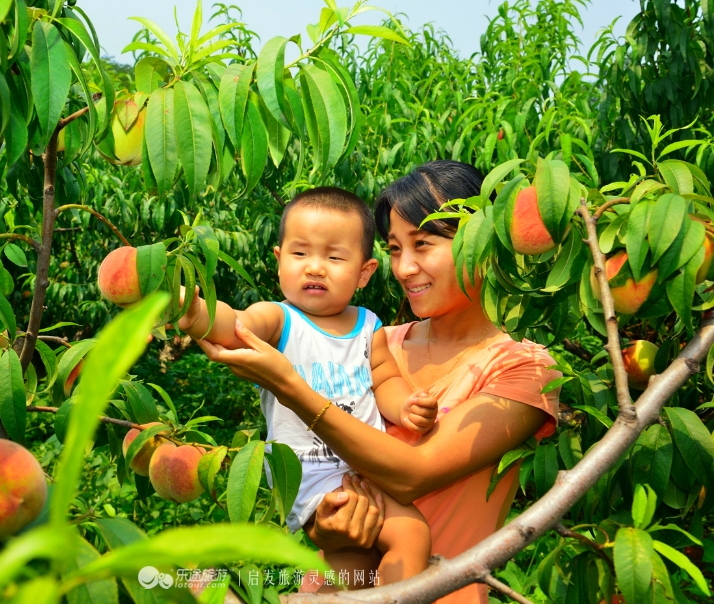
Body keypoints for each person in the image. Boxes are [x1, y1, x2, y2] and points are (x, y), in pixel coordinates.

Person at [194, 161, 560, 602]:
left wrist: (291, 388)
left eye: (423, 244)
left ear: (481, 240)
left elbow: (412, 476)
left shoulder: (524, 369)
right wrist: (331, 529)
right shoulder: (371, 342)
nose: (405, 268)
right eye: (394, 248)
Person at [178, 187, 439, 588]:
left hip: (365, 468)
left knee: (352, 568)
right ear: (279, 261)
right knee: (411, 533)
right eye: (300, 254)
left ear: (364, 272)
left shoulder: (369, 325)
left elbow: (384, 379)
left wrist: (406, 408)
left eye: (334, 257)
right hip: (311, 475)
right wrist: (197, 312)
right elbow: (237, 328)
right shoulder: (279, 319)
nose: (315, 267)